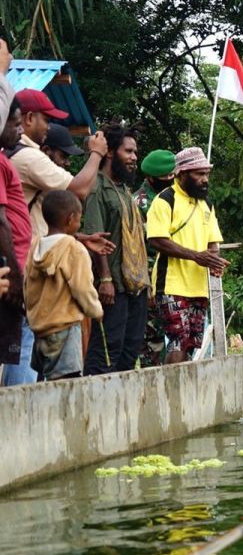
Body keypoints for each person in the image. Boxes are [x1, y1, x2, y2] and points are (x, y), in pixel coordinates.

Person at [146, 147, 228, 363]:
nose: (204, 180)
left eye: (206, 174)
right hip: (171, 284)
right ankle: (171, 395)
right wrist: (196, 256)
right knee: (178, 342)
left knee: (191, 345)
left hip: (199, 287)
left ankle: (183, 394)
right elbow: (156, 239)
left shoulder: (206, 204)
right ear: (181, 174)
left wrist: (214, 261)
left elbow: (213, 243)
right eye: (198, 174)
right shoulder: (165, 200)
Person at [81, 124, 150, 374]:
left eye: (135, 153)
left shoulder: (124, 189)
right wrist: (106, 278)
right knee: (107, 349)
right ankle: (93, 407)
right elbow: (95, 236)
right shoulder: (97, 187)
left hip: (135, 286)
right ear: (110, 153)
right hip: (113, 286)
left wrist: (146, 282)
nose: (133, 158)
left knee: (130, 350)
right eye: (128, 151)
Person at [25, 191, 103, 380]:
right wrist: (96, 310)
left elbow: (26, 285)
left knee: (45, 382)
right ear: (71, 219)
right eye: (79, 218)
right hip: (65, 328)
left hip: (40, 329)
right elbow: (82, 288)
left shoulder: (35, 246)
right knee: (66, 383)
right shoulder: (73, 249)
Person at [8, 89, 107, 238]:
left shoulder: (14, 151)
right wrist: (97, 153)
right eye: (46, 120)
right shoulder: (28, 157)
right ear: (29, 118)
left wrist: (81, 238)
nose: (48, 127)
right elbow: (80, 189)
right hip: (25, 253)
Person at [0, 60, 33, 383]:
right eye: (16, 123)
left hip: (14, 268)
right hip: (10, 273)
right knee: (19, 348)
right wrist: (16, 274)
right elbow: (1, 221)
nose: (20, 131)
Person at [134, 149, 175, 366]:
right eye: (165, 178)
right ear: (150, 177)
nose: (170, 180)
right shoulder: (140, 203)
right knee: (152, 341)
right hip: (150, 277)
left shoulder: (173, 198)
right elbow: (138, 248)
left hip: (173, 278)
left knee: (177, 340)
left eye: (172, 176)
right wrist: (146, 282)